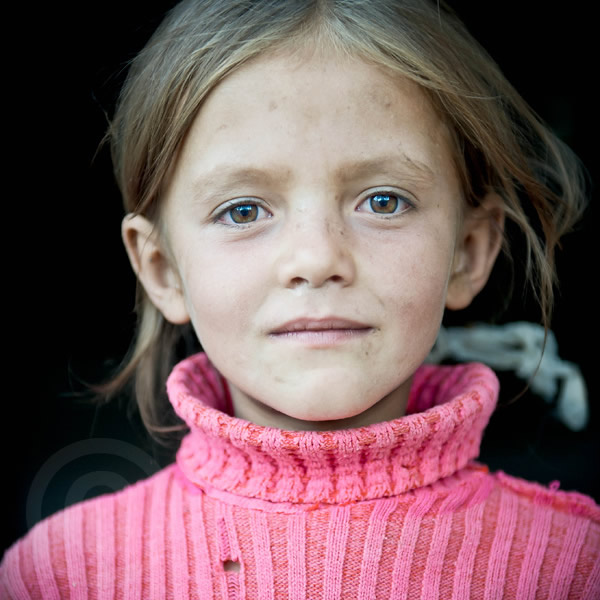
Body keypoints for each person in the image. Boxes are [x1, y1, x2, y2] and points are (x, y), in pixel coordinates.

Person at [2, 0, 598, 597]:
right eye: (243, 211)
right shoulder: (62, 575)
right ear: (163, 271)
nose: (316, 259)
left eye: (383, 201)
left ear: (468, 251)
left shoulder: (574, 567)